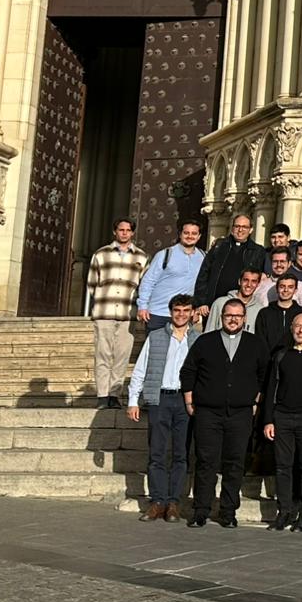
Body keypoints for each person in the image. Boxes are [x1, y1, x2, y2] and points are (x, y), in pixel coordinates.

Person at [180, 298, 269, 528]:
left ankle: (228, 511)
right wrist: (189, 400)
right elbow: (189, 371)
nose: (233, 319)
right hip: (208, 412)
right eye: (229, 315)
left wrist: (256, 401)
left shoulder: (255, 344)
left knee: (235, 462)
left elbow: (263, 375)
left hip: (239, 414)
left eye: (238, 316)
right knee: (206, 461)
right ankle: (201, 510)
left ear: (244, 318)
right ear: (222, 317)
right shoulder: (205, 342)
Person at [127, 293, 197, 522]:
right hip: (160, 398)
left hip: (184, 401)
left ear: (192, 313)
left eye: (186, 311)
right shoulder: (156, 337)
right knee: (156, 452)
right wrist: (132, 400)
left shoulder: (197, 339)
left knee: (181, 454)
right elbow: (141, 368)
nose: (181, 315)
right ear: (171, 312)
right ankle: (157, 501)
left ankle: (174, 502)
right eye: (177, 310)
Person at [262, 309, 302, 532]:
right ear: (291, 328)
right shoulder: (281, 355)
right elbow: (271, 389)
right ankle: (284, 511)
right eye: (297, 326)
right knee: (283, 467)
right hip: (283, 417)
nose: (301, 330)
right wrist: (269, 420)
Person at [87, 217, 147, 408]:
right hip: (104, 311)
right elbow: (91, 282)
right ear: (115, 231)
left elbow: (144, 285)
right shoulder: (101, 254)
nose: (124, 233)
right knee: (102, 354)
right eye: (121, 230)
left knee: (122, 355)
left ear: (132, 233)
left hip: (127, 314)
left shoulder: (141, 257)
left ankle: (115, 395)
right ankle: (102, 396)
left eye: (128, 230)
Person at [193, 214, 265, 320]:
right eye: (237, 226)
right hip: (214, 305)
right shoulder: (219, 246)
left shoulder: (258, 251)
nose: (240, 230)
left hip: (242, 306)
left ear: (251, 230)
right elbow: (204, 273)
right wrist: (202, 302)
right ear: (232, 228)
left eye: (244, 227)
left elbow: (259, 279)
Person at [136, 219, 205, 329]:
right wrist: (143, 306)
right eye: (186, 233)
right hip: (159, 313)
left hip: (184, 315)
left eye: (194, 233)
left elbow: (202, 286)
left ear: (199, 236)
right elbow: (148, 281)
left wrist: (196, 309)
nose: (190, 236)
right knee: (157, 346)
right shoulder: (165, 254)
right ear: (180, 234)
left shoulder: (203, 257)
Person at [204, 264, 265, 332]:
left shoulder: (260, 309)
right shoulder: (219, 303)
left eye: (253, 281)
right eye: (245, 280)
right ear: (239, 281)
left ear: (258, 284)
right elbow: (209, 332)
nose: (249, 285)